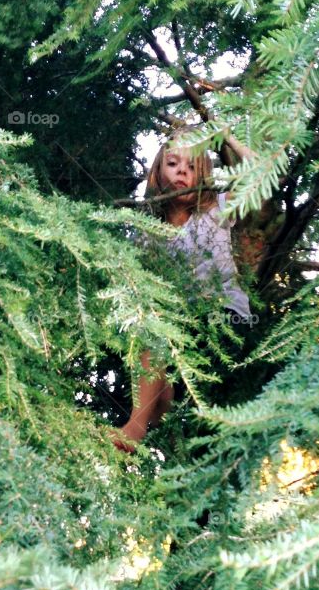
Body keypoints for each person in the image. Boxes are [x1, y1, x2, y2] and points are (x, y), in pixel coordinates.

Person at [112, 131, 272, 452]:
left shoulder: (218, 209)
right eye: (172, 163)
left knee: (177, 358)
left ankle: (147, 417)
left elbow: (262, 173)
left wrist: (226, 135)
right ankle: (154, 408)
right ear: (157, 174)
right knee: (151, 333)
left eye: (192, 165)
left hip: (224, 318)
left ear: (203, 175)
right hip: (179, 327)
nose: (182, 171)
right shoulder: (146, 232)